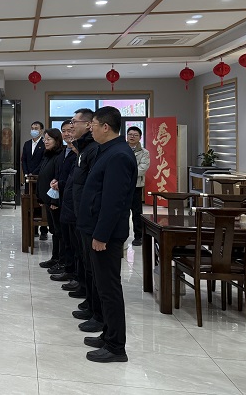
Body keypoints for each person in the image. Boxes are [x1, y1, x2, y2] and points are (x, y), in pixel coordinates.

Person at [79, 106, 137, 363]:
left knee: (109, 288)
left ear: (105, 127)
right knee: (103, 287)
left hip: (107, 235)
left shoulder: (119, 155)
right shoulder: (108, 150)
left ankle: (116, 346)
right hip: (97, 229)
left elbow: (114, 202)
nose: (90, 129)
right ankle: (108, 334)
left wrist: (101, 235)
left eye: (93, 124)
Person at [70, 108, 104, 333]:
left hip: (90, 217)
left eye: (75, 122)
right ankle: (91, 304)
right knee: (86, 262)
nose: (72, 126)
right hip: (80, 214)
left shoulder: (93, 150)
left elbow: (93, 189)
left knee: (94, 268)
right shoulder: (82, 149)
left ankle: (97, 313)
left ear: (89, 124)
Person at [50, 121, 79, 286]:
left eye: (70, 130)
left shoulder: (79, 152)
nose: (67, 134)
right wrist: (55, 182)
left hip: (72, 201)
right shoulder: (63, 152)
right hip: (61, 198)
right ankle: (67, 268)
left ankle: (73, 272)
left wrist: (60, 183)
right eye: (64, 131)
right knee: (65, 237)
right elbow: (59, 173)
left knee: (73, 241)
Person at [36, 128, 64, 269]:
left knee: (58, 231)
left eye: (49, 139)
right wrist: (40, 196)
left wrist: (54, 200)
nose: (45, 142)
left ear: (56, 140)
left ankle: (60, 259)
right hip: (47, 198)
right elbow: (42, 175)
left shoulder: (59, 156)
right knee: (53, 229)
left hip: (54, 200)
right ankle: (55, 257)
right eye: (44, 139)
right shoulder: (48, 154)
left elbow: (57, 179)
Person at [22, 121, 48, 238]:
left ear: (41, 131)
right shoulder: (27, 144)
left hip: (40, 178)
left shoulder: (44, 143)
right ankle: (34, 229)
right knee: (31, 204)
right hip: (29, 179)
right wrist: (27, 173)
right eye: (32, 128)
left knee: (41, 203)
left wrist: (34, 173)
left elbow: (44, 161)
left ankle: (44, 230)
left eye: (36, 128)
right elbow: (24, 160)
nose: (34, 130)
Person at [126, 126, 150, 246]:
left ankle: (138, 236)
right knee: (122, 211)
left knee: (137, 212)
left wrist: (126, 173)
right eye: (130, 134)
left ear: (140, 137)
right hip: (122, 185)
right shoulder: (122, 149)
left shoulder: (144, 152)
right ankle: (122, 235)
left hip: (136, 186)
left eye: (135, 135)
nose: (132, 137)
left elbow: (143, 168)